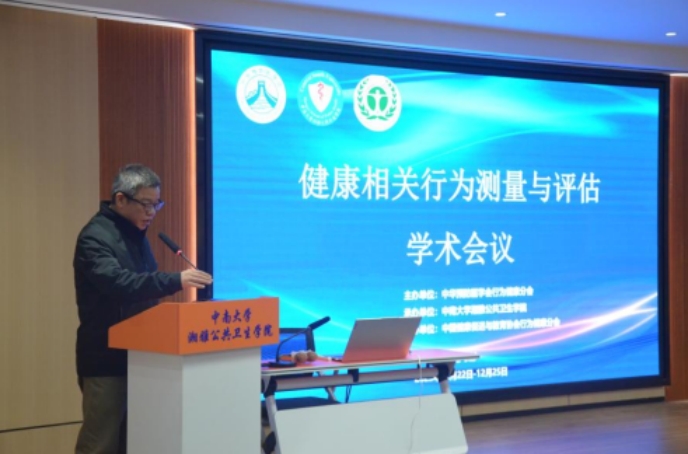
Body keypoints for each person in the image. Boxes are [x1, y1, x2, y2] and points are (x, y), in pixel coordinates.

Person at [73, 164, 213, 454]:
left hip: (144, 358)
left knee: (135, 442)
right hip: (106, 359)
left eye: (156, 204)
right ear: (120, 199)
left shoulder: (136, 235)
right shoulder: (95, 237)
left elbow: (143, 292)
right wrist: (176, 280)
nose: (151, 212)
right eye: (146, 204)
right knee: (100, 444)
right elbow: (119, 284)